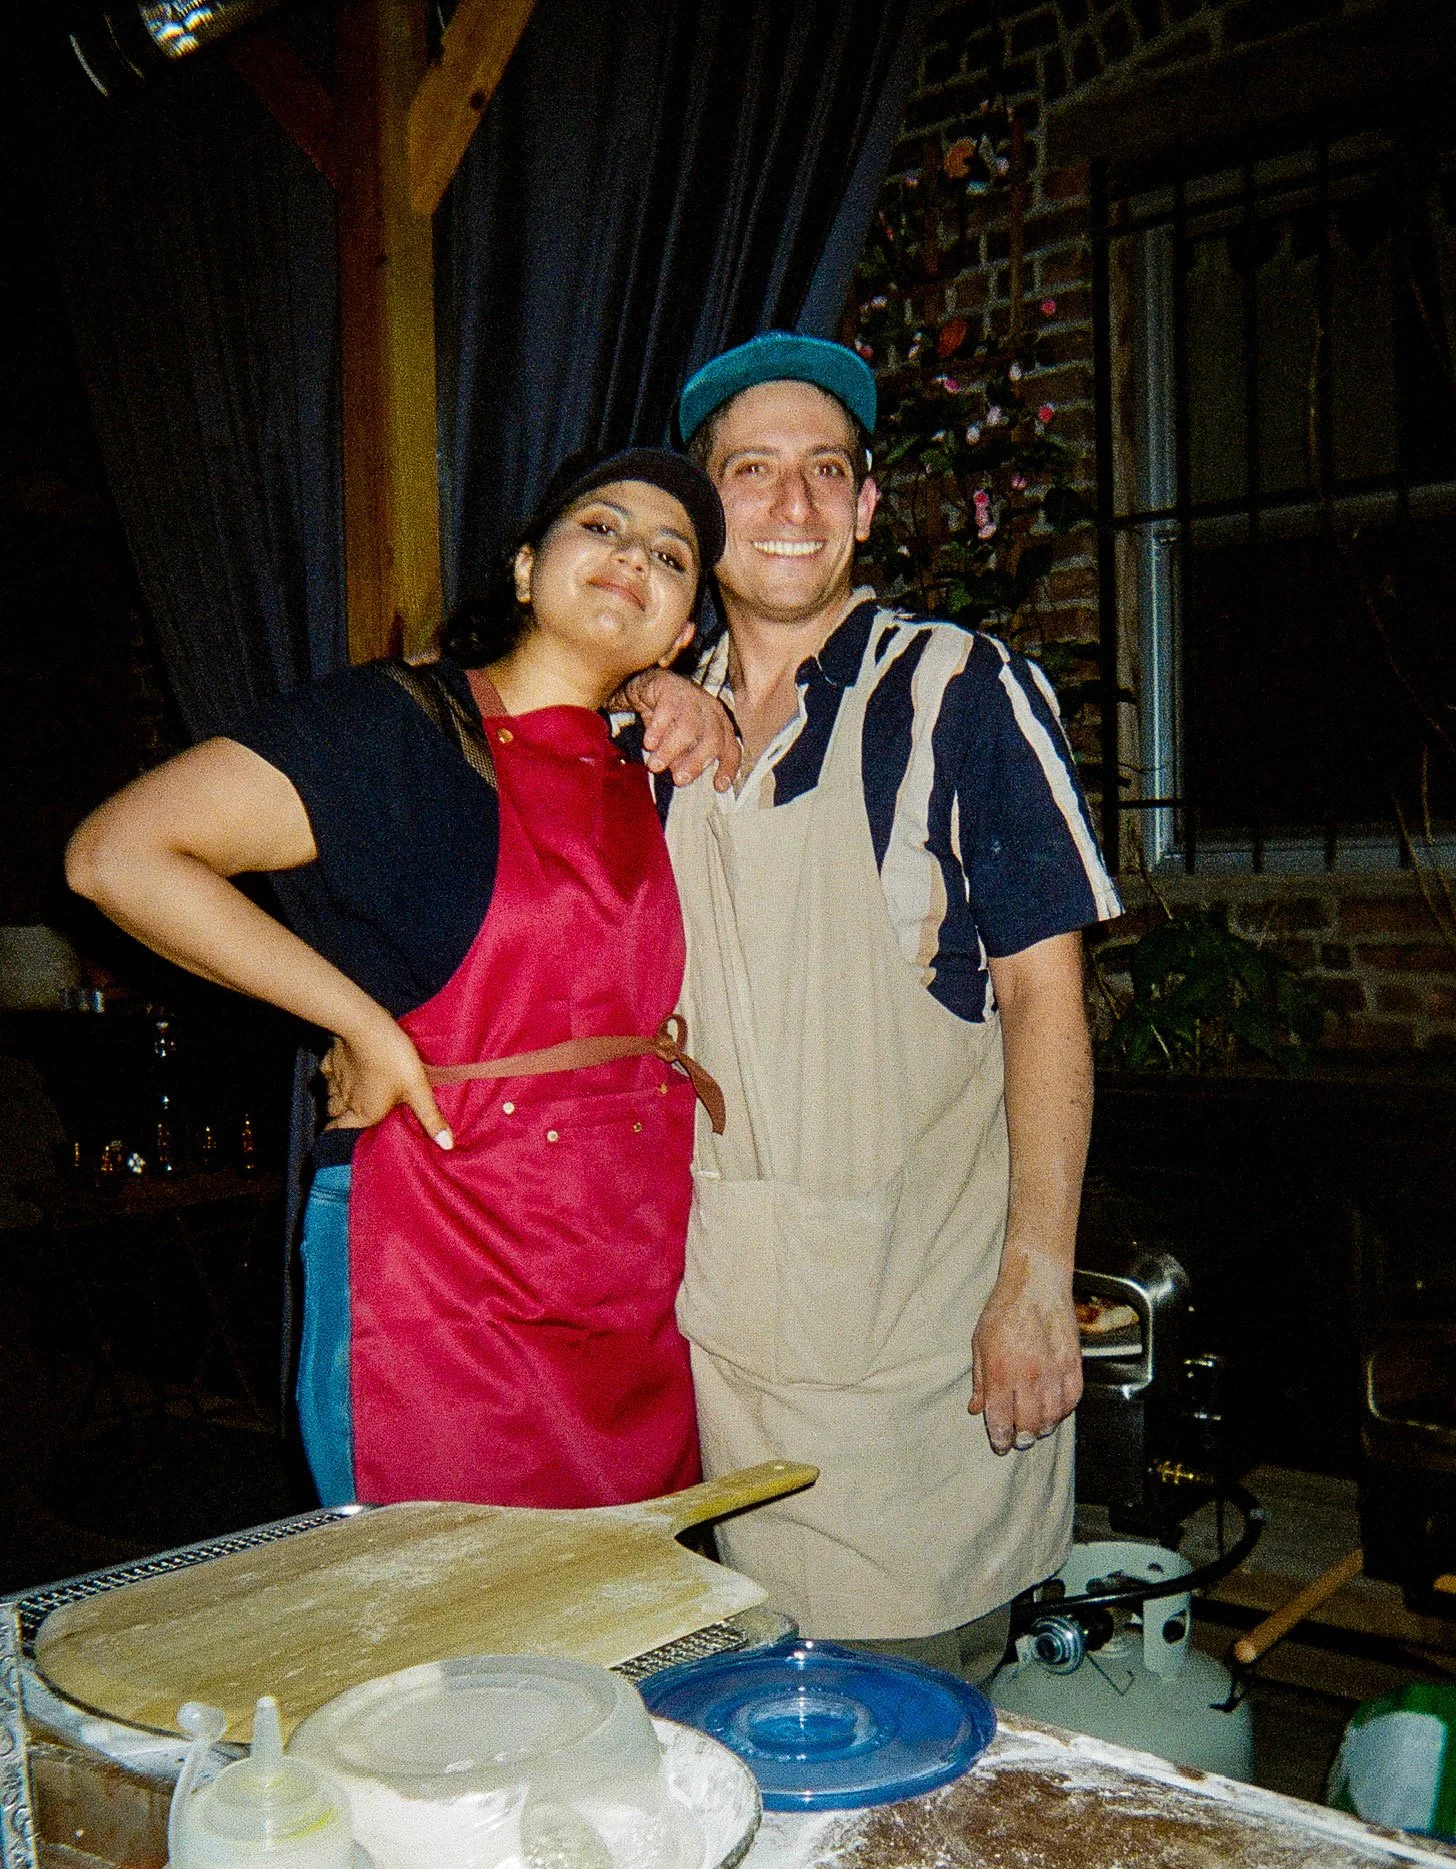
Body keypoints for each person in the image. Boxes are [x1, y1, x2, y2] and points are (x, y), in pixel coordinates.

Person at [65, 448, 734, 1512]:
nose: (632, 558)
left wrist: (675, 697)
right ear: (526, 569)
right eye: (601, 527)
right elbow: (117, 856)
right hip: (441, 1267)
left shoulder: (659, 765)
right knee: (450, 1600)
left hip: (630, 1280)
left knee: (629, 1597)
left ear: (684, 632)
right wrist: (360, 1024)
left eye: (670, 555)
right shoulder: (397, 730)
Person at [661, 332, 1123, 1684]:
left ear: (865, 507)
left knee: (903, 1743)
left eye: (826, 471)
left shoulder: (959, 692)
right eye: (752, 471)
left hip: (913, 1367)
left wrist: (1035, 1281)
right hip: (709, 1353)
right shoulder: (651, 727)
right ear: (701, 512)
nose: (792, 504)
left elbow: (1044, 998)